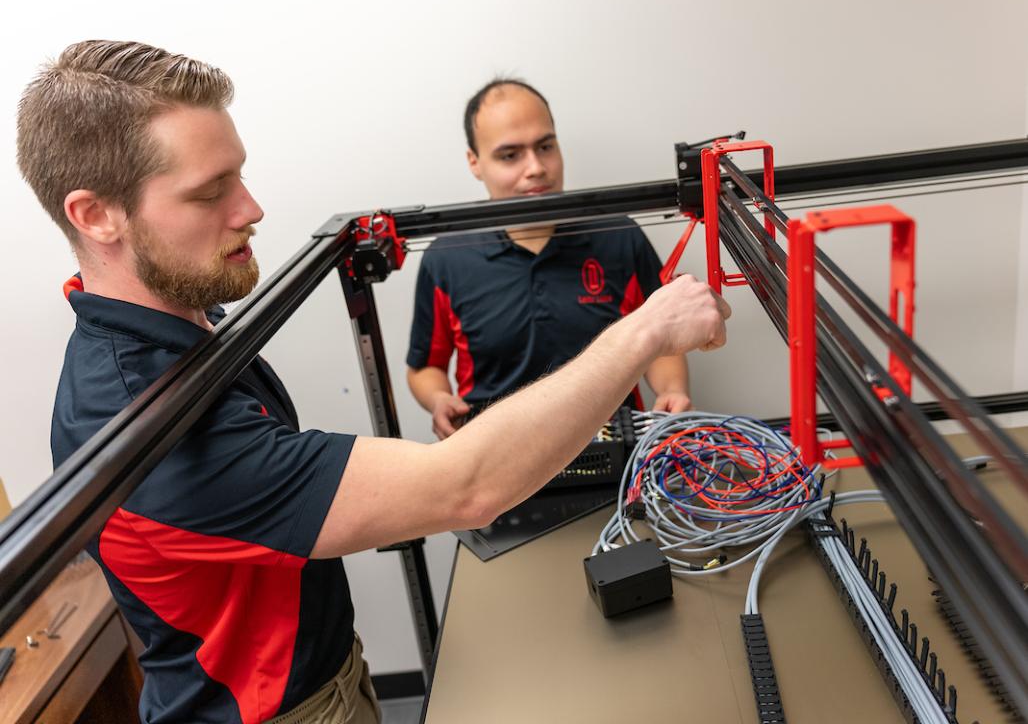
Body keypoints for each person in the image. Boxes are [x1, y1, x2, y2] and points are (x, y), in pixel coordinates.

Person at [17, 41, 729, 724]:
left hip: (324, 674)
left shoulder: (175, 321)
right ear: (95, 215)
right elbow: (464, 486)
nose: (252, 210)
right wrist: (642, 332)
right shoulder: (150, 424)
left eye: (239, 175)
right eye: (210, 193)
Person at [407, 79, 692, 439]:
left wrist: (671, 389)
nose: (536, 168)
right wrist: (438, 398)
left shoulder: (618, 235)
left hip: (611, 447)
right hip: (491, 453)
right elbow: (425, 366)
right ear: (475, 162)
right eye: (510, 155)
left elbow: (660, 339)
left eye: (545, 146)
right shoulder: (445, 258)